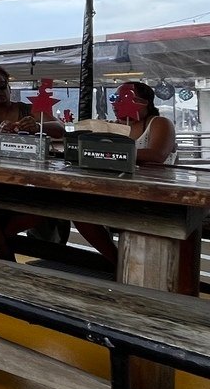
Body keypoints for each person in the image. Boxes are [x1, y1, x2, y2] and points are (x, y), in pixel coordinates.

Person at [0, 66, 65, 261]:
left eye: (1, 86)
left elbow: (59, 128)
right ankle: (6, 257)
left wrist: (38, 126)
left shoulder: (27, 109)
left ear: (8, 86)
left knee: (48, 207)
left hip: (27, 179)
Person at [74, 81, 178, 264]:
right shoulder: (116, 127)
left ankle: (125, 266)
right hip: (119, 190)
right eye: (113, 98)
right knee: (78, 209)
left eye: (122, 97)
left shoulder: (159, 123)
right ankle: (116, 262)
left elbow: (157, 154)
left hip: (156, 194)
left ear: (144, 102)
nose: (115, 102)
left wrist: (109, 151)